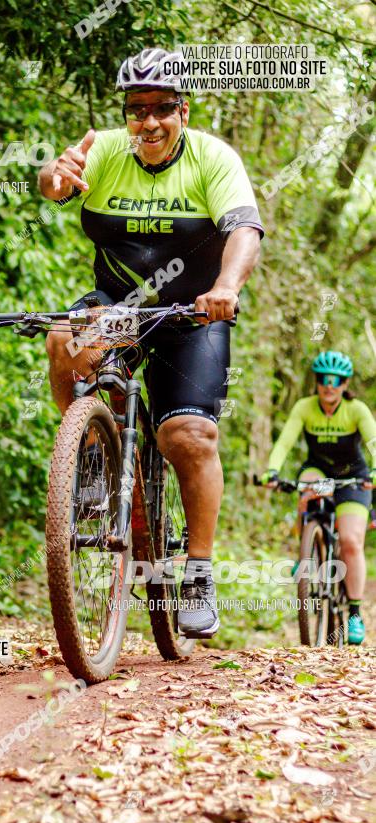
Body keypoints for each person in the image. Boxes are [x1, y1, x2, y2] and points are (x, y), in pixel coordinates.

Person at [38, 47, 264, 638]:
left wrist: (224, 286)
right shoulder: (108, 150)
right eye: (137, 110)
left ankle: (198, 571)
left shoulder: (214, 158)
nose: (149, 122)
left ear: (183, 110)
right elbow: (55, 186)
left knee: (186, 435)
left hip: (191, 313)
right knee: (64, 337)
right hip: (118, 307)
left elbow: (244, 229)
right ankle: (88, 452)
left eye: (162, 107)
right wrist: (54, 178)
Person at [261, 351, 376, 645]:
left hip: (353, 476)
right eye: (323, 380)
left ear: (344, 383)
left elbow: (374, 441)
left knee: (351, 541)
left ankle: (354, 612)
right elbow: (285, 441)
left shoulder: (356, 409)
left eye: (335, 381)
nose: (329, 386)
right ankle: (306, 550)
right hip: (319, 471)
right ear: (317, 382)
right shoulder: (305, 407)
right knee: (306, 486)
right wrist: (272, 470)